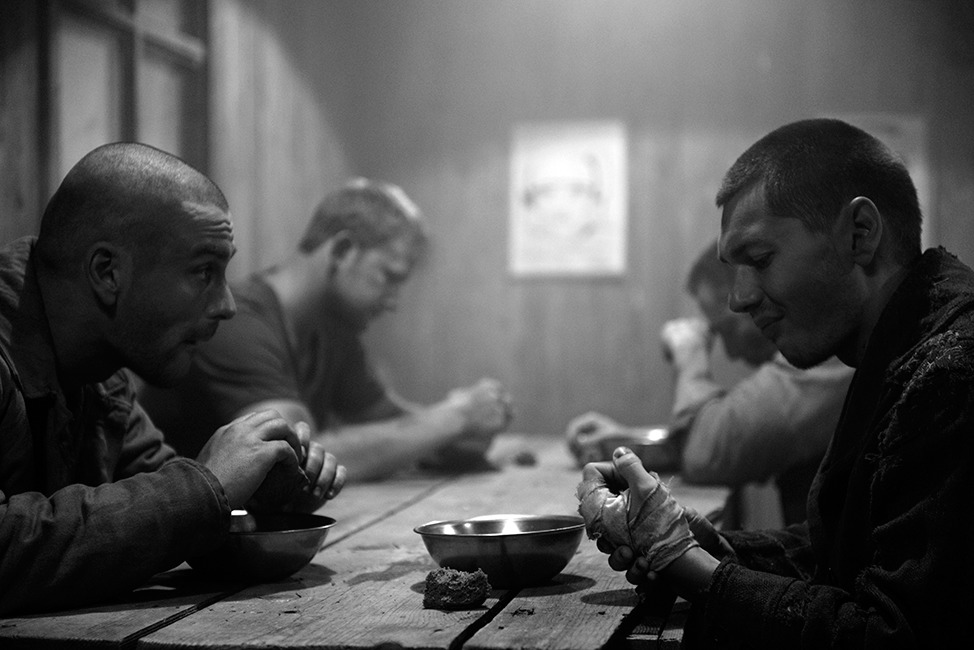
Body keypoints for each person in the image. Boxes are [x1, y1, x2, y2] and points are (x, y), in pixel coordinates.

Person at [576, 118, 974, 647]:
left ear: (860, 233)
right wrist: (713, 545)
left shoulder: (952, 370)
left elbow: (893, 632)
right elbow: (847, 550)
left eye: (760, 260)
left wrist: (690, 567)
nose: (739, 298)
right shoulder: (890, 340)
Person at [0, 142, 346, 616]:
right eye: (204, 271)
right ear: (108, 272)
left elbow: (157, 489)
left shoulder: (104, 376)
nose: (227, 305)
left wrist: (255, 489)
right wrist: (208, 486)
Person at [139, 178, 513, 481]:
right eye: (389, 277)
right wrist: (455, 417)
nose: (394, 301)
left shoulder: (333, 329)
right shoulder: (237, 322)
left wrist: (458, 435)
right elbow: (292, 459)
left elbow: (394, 421)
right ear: (343, 250)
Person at [566, 240, 853, 528]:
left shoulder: (831, 353)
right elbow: (727, 428)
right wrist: (630, 445)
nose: (730, 352)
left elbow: (707, 456)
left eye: (726, 327)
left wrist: (691, 356)